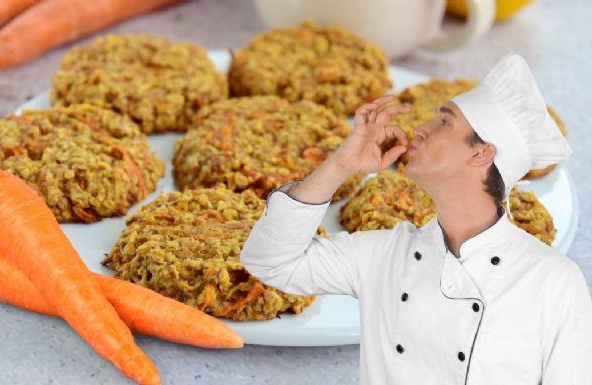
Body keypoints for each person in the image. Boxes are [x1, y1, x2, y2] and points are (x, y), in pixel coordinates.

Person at [239, 53, 592, 384]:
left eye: (443, 121)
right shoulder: (386, 254)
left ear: (482, 152)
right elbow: (271, 261)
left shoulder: (553, 281)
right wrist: (340, 165)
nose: (419, 128)